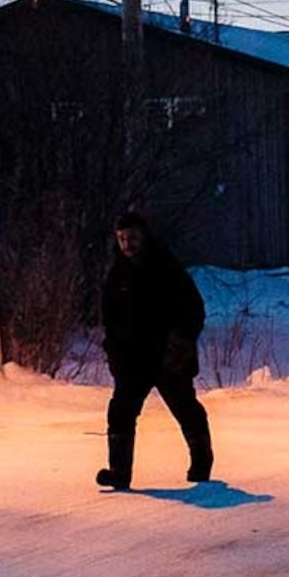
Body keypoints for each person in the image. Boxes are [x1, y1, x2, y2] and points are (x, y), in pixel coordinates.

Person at [95, 210, 213, 490]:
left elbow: (194, 309)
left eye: (132, 237)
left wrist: (181, 343)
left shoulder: (167, 268)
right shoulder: (116, 275)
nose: (127, 244)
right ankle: (119, 471)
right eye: (122, 238)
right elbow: (110, 319)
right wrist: (112, 350)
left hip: (168, 357)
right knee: (120, 411)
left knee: (184, 407)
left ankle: (201, 460)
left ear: (144, 236)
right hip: (133, 360)